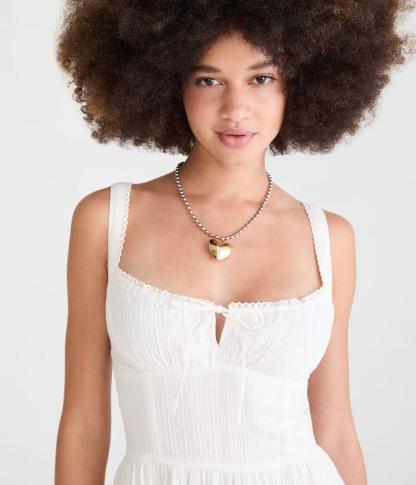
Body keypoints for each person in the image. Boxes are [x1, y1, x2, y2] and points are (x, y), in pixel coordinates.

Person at [54, 1, 414, 484]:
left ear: (298, 84)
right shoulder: (106, 219)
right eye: (209, 80)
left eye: (261, 78)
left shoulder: (329, 239)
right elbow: (83, 426)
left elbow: (335, 431)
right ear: (170, 83)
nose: (236, 109)